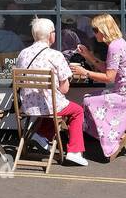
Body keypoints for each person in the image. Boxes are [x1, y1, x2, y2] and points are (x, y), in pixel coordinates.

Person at [71, 13, 126, 161]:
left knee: (88, 101)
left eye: (95, 30)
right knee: (88, 98)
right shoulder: (119, 43)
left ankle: (111, 139)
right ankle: (107, 135)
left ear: (103, 30)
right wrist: (88, 56)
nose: (94, 33)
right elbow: (108, 68)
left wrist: (85, 72)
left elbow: (109, 77)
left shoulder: (114, 47)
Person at [14, 17, 88, 166]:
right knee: (76, 110)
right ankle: (74, 152)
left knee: (53, 105)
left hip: (26, 107)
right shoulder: (55, 55)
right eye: (54, 32)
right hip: (49, 106)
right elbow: (64, 89)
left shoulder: (23, 53)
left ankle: (41, 136)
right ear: (50, 35)